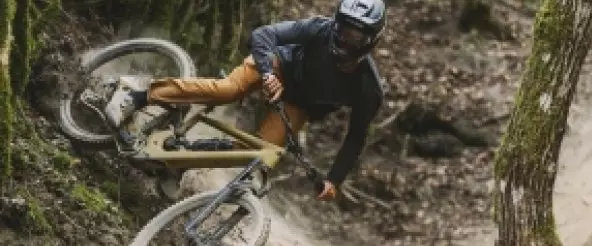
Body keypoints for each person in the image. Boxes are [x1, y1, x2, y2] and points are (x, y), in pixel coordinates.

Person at [104, 0, 387, 201]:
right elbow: (264, 35)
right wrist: (267, 74)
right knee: (228, 90)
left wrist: (334, 179)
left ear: (371, 40)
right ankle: (139, 92)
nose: (347, 39)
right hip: (276, 66)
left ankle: (178, 162)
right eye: (344, 29)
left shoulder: (368, 89)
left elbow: (355, 138)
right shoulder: (319, 29)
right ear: (336, 23)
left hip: (298, 104)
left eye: (356, 35)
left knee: (252, 154)